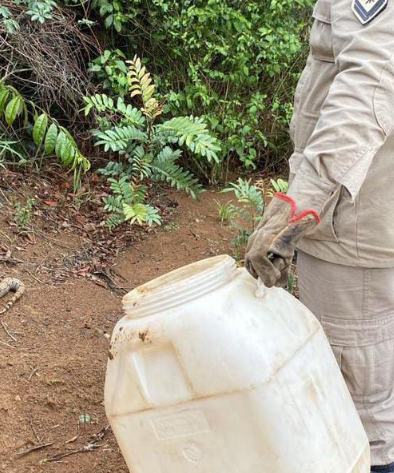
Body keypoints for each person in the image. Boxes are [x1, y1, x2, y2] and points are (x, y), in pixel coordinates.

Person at [244, 0, 394, 471]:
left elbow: (366, 91)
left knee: (359, 414)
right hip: (370, 218)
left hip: (355, 233)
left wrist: (298, 208)